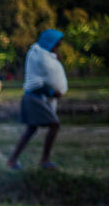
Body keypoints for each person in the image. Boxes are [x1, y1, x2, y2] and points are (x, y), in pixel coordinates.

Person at [6, 29, 68, 170]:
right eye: (58, 43)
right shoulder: (38, 56)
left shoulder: (46, 55)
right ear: (50, 41)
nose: (60, 45)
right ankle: (44, 160)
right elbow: (35, 82)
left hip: (38, 98)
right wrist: (51, 92)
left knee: (31, 129)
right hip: (34, 98)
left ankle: (12, 160)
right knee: (54, 124)